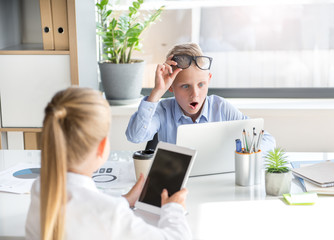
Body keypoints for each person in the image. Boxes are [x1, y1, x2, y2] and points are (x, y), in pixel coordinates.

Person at [25, 87, 191, 240]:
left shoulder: (40, 188)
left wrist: (125, 201)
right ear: (102, 146)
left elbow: (86, 209)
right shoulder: (110, 214)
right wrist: (174, 209)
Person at [126, 43, 275, 153]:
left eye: (201, 84)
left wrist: (239, 155)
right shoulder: (162, 110)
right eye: (185, 86)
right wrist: (157, 92)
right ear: (170, 86)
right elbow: (135, 136)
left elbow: (268, 140)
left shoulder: (220, 108)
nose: (195, 94)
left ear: (209, 79)